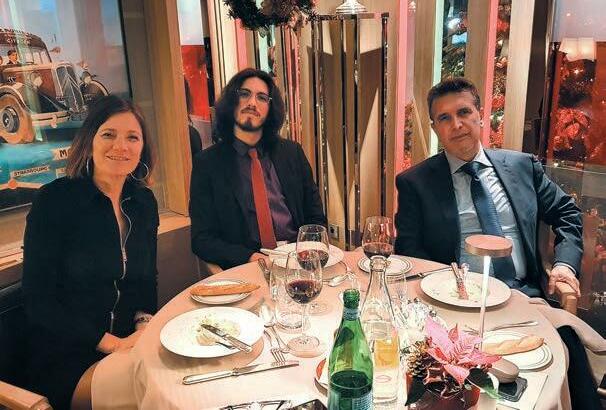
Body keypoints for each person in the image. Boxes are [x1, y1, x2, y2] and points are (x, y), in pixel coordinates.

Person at [22, 95, 159, 410]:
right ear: (89, 141)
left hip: (129, 345)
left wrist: (143, 326)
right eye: (109, 134)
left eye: (132, 137)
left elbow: (146, 282)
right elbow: (39, 302)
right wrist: (113, 345)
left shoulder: (144, 203)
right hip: (67, 358)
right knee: (156, 384)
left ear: (143, 148)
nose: (121, 146)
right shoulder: (54, 201)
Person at [394, 77, 583, 298]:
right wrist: (444, 288)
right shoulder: (415, 182)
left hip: (524, 295)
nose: (456, 125)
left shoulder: (523, 167)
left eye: (464, 112)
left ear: (480, 116)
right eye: (444, 118)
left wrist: (564, 265)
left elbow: (567, 212)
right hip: (454, 298)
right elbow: (408, 248)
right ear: (435, 128)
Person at [190, 68, 326, 269]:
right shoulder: (208, 164)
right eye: (244, 94)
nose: (252, 103)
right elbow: (202, 239)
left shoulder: (292, 153)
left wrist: (307, 253)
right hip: (247, 267)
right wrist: (249, 257)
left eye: (262, 97)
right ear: (231, 101)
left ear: (271, 108)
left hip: (298, 262)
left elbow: (316, 219)